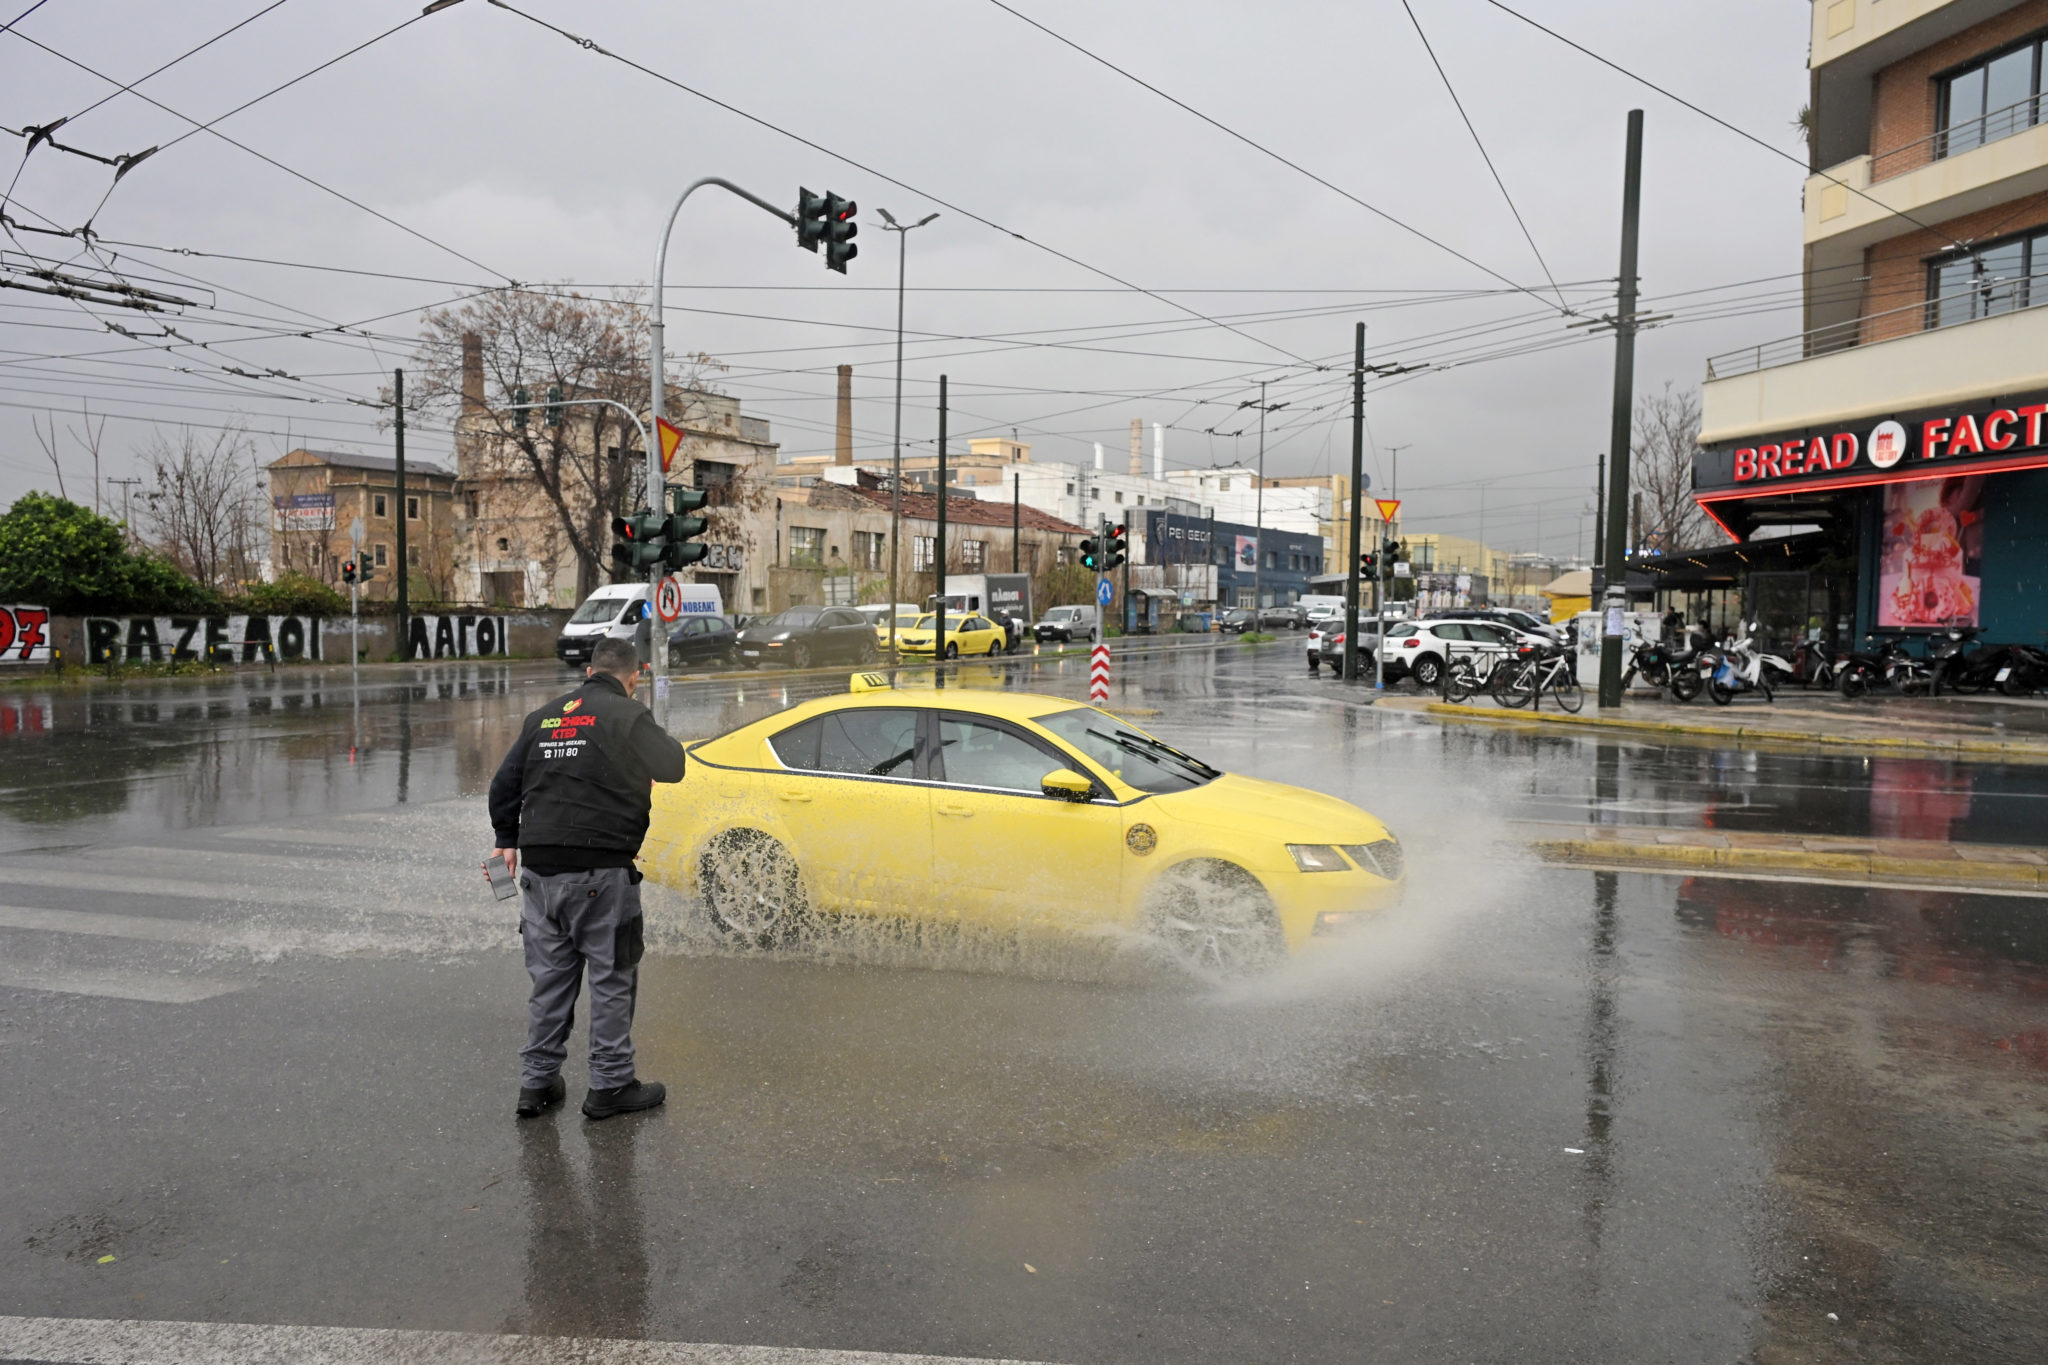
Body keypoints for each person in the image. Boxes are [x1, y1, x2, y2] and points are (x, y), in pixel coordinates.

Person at [489, 637, 686, 1121]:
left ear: (589, 671)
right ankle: (611, 1085)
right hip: (600, 871)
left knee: (550, 981)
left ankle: (537, 1084)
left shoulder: (543, 718)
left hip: (539, 872)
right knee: (612, 976)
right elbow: (673, 765)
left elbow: (504, 784)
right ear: (634, 676)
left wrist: (505, 839)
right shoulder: (626, 714)